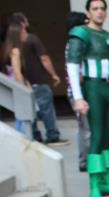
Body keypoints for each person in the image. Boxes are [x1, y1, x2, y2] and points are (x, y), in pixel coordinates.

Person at [66, 0, 109, 197]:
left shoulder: (108, 36)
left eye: (102, 8)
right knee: (97, 136)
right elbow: (72, 67)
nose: (99, 12)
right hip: (92, 88)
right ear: (88, 12)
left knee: (107, 137)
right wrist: (78, 97)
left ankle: (106, 181)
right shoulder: (81, 34)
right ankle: (94, 185)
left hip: (108, 88)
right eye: (95, 8)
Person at [7, 12, 68, 145]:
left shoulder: (12, 44)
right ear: (23, 23)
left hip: (25, 84)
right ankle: (53, 136)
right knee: (47, 111)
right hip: (39, 82)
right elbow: (44, 58)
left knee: (30, 112)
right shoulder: (32, 39)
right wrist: (53, 74)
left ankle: (34, 136)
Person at [64, 11, 91, 172]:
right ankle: (84, 161)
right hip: (78, 92)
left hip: (82, 91)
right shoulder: (74, 44)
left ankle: (88, 159)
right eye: (86, 21)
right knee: (85, 128)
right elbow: (75, 72)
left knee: (88, 127)